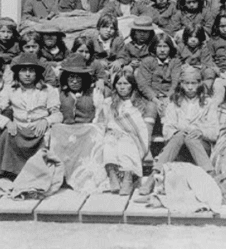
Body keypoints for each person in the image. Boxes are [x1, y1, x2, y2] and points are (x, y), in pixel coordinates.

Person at [140, 65, 219, 195]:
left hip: (200, 147)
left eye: (193, 83)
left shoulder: (208, 103)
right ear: (181, 84)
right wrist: (182, 131)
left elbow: (214, 131)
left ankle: (211, 175)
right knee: (181, 135)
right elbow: (167, 129)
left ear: (200, 83)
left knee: (189, 136)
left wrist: (200, 131)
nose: (190, 87)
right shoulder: (174, 102)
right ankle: (153, 176)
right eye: (186, 83)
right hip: (178, 147)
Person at [0, 53, 62, 179]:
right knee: (6, 134)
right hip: (19, 132)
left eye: (31, 70)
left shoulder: (48, 90)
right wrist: (7, 122)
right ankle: (10, 172)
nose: (27, 74)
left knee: (50, 139)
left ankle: (37, 171)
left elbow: (58, 115)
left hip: (39, 133)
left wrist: (46, 120)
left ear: (37, 73)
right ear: (17, 73)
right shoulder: (10, 90)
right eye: (23, 70)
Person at [94, 71, 149, 195]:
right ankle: (113, 175)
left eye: (126, 83)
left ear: (132, 85)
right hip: (112, 133)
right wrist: (112, 131)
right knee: (109, 143)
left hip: (133, 136)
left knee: (125, 143)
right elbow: (102, 121)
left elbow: (140, 126)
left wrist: (124, 133)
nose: (122, 87)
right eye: (119, 83)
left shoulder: (139, 103)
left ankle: (128, 178)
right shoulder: (109, 102)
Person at [137, 33, 182, 141]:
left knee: (168, 109)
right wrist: (155, 100)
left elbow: (175, 82)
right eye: (159, 46)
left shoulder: (175, 62)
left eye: (165, 46)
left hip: (169, 97)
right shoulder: (148, 61)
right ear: (154, 48)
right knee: (151, 108)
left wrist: (168, 98)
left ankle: (168, 147)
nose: (162, 50)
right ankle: (146, 147)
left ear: (170, 48)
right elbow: (144, 84)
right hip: (151, 97)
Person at [177, 23, 217, 93]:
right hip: (185, 71)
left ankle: (205, 91)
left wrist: (198, 68)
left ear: (200, 38)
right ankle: (183, 91)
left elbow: (207, 63)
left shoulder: (203, 48)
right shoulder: (181, 47)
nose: (193, 40)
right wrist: (182, 65)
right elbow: (176, 61)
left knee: (209, 72)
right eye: (190, 37)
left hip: (199, 70)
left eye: (196, 37)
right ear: (186, 37)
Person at [59, 53, 97, 124]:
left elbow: (98, 118)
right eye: (71, 77)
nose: (75, 81)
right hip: (66, 131)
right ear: (65, 78)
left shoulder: (93, 93)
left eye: (78, 77)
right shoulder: (59, 93)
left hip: (87, 130)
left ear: (84, 79)